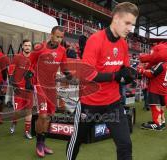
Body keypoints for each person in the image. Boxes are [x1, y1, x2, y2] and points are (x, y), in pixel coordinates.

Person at [67, 2, 139, 160]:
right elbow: (87, 74)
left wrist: (131, 75)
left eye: (132, 25)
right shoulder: (95, 40)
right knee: (77, 141)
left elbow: (124, 71)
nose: (130, 28)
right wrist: (115, 76)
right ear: (116, 18)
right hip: (89, 103)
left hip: (113, 103)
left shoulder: (123, 44)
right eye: (127, 23)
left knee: (125, 144)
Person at [30, 26, 73, 158]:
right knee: (42, 116)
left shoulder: (62, 50)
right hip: (39, 85)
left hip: (51, 87)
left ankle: (43, 142)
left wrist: (69, 75)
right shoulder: (40, 48)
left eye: (61, 37)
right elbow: (30, 63)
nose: (59, 39)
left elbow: (64, 66)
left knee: (48, 116)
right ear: (51, 35)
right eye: (57, 36)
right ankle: (38, 143)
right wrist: (28, 76)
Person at [8, 39, 34, 139]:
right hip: (18, 89)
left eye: (29, 45)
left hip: (29, 89)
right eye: (26, 45)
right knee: (18, 112)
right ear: (22, 47)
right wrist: (13, 85)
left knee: (29, 111)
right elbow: (11, 71)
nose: (27, 47)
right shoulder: (17, 57)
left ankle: (27, 131)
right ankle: (14, 123)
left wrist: (32, 77)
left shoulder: (33, 58)